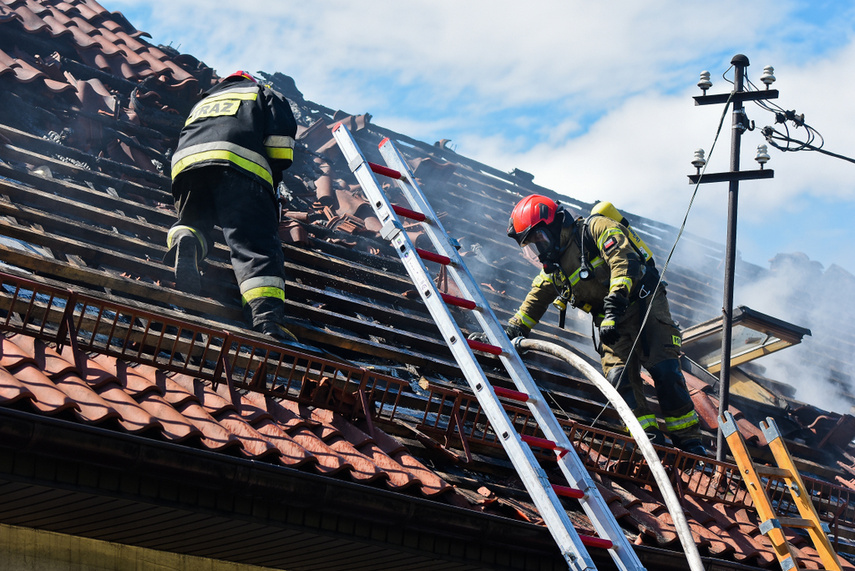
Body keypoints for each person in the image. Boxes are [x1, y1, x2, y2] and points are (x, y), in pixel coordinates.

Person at [476, 194, 706, 456]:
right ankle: (649, 442)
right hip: (610, 321)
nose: (539, 248)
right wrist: (509, 332)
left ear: (555, 225)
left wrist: (615, 302)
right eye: (531, 245)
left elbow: (624, 261)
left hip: (644, 304)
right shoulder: (555, 270)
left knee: (666, 371)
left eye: (539, 238)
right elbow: (533, 302)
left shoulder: (595, 228)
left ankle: (690, 444)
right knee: (618, 379)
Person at [165, 70, 298, 343]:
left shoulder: (204, 101)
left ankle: (186, 240)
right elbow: (281, 150)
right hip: (238, 165)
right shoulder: (262, 92)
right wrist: (270, 184)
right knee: (255, 245)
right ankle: (266, 320)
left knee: (193, 220)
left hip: (186, 167)